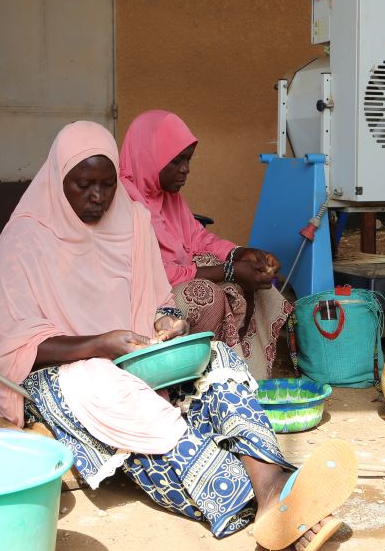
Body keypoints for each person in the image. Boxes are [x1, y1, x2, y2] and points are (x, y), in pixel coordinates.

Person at [0, 121, 354, 551]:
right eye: (84, 185)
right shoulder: (24, 239)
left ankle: (272, 485)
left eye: (107, 184)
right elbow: (16, 347)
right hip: (62, 370)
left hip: (130, 354)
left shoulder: (131, 220)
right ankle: (258, 502)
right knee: (116, 395)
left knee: (215, 358)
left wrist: (168, 322)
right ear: (58, 178)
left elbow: (159, 298)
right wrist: (100, 344)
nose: (98, 197)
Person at [118, 110, 293, 381]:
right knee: (207, 294)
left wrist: (243, 254)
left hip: (174, 283)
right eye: (176, 161)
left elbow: (198, 239)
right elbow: (153, 272)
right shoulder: (123, 203)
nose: (185, 169)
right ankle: (207, 377)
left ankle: (248, 375)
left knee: (251, 286)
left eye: (188, 160)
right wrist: (231, 270)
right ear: (148, 158)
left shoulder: (168, 197)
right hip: (143, 300)